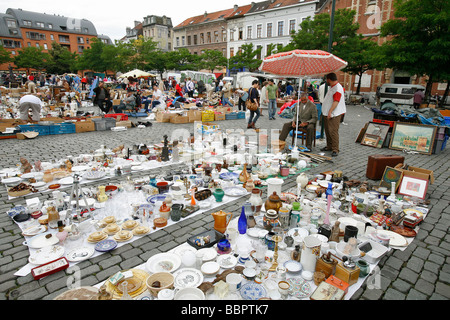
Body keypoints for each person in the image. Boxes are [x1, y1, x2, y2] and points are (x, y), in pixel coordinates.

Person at [320, 73, 346, 157]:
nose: (326, 81)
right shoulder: (333, 87)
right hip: (328, 112)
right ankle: (329, 146)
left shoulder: (337, 88)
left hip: (334, 114)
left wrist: (330, 111)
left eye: (326, 79)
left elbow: (336, 101)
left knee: (333, 131)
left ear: (329, 79)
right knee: (327, 131)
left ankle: (335, 149)